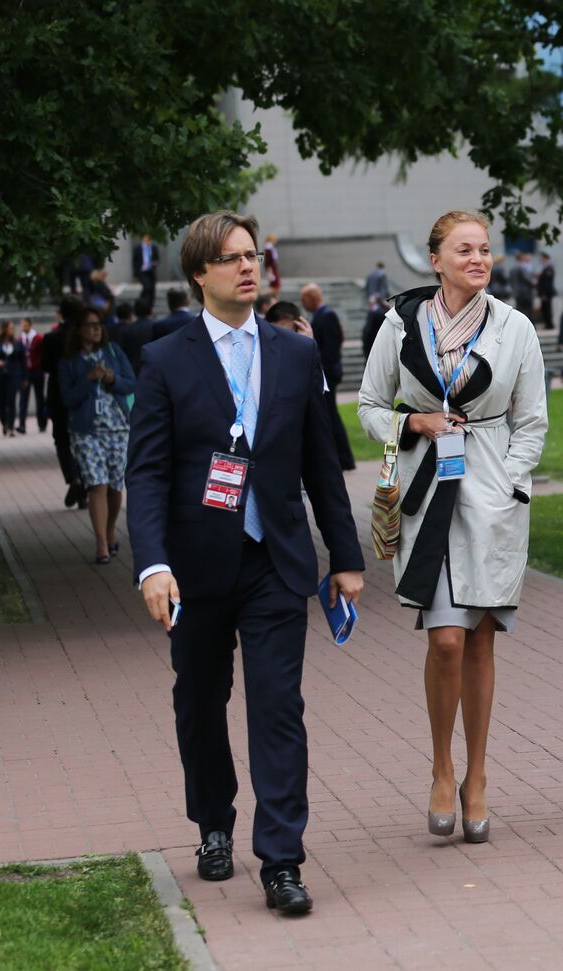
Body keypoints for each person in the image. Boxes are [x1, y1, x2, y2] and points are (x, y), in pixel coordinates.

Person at [126, 210, 364, 916]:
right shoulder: (166, 358)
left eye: (252, 255)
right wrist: (152, 565)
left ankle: (282, 857)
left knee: (277, 705)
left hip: (276, 562)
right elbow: (147, 473)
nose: (247, 266)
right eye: (230, 258)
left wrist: (344, 557)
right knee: (199, 704)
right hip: (195, 568)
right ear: (199, 272)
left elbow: (322, 462)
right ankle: (213, 824)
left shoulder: (295, 354)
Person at [357, 209, 547, 844]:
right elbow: (368, 404)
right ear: (434, 259)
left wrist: (512, 486)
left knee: (482, 641)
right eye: (463, 249)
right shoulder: (400, 322)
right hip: (426, 490)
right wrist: (412, 424)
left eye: (485, 249)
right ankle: (440, 768)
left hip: (491, 494)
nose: (478, 258)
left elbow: (533, 421)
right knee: (445, 640)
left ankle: (478, 776)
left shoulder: (514, 327)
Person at [59, 305, 135, 561]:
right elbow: (68, 399)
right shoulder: (69, 362)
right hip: (87, 431)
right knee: (97, 484)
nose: (96, 329)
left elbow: (131, 383)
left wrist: (113, 380)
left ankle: (111, 530)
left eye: (98, 325)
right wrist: (88, 378)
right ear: (78, 330)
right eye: (90, 325)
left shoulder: (113, 352)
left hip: (118, 428)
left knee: (115, 486)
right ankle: (101, 544)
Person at [300, 283, 355, 471]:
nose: (302, 303)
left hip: (328, 373)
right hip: (325, 372)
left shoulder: (327, 316)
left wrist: (315, 360)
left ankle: (344, 458)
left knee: (331, 415)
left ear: (312, 298)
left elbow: (331, 348)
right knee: (329, 415)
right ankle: (341, 458)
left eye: (304, 299)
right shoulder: (318, 316)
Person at [42, 297, 87, 507]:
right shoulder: (84, 335)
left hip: (58, 392)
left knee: (61, 438)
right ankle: (86, 483)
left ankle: (73, 477)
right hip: (83, 391)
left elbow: (45, 366)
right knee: (85, 438)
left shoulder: (51, 337)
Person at [0, 321, 27, 437]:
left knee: (11, 400)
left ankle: (11, 426)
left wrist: (24, 377)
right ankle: (4, 423)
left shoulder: (17, 343)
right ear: (4, 329)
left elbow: (23, 361)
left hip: (14, 375)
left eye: (13, 328)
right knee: (1, 401)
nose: (12, 330)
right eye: (10, 328)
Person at [17, 318, 47, 433]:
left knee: (39, 398)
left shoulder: (38, 338)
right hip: (26, 372)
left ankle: (42, 423)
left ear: (30, 325)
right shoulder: (20, 340)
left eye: (25, 325)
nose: (23, 328)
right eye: (22, 325)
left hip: (37, 371)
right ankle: (22, 425)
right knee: (23, 399)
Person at [133, 234, 160, 306]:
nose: (147, 240)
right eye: (145, 238)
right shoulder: (138, 248)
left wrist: (155, 263)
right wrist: (135, 273)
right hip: (142, 271)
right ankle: (141, 302)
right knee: (147, 287)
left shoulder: (153, 247)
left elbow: (157, 258)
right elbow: (134, 261)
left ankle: (150, 305)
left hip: (151, 270)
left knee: (152, 288)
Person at [361, 294, 388, 362]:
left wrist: (365, 347)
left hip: (373, 345)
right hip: (384, 344)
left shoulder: (373, 313)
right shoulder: (386, 311)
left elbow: (368, 331)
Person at [510, 252, 535, 320]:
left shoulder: (512, 268)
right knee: (528, 310)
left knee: (519, 309)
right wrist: (534, 283)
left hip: (517, 292)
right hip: (525, 292)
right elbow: (526, 279)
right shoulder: (521, 267)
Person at [536, 252, 557, 329]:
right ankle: (548, 324)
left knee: (547, 309)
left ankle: (549, 324)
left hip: (546, 293)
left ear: (545, 259)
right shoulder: (546, 268)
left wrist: (544, 293)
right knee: (545, 309)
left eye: (542, 258)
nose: (541, 260)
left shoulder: (549, 268)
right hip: (545, 293)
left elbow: (547, 283)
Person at [262, 233, 282, 297]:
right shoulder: (268, 248)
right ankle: (261, 295)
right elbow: (268, 261)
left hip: (272, 269)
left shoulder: (270, 248)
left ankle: (274, 299)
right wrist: (269, 269)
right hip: (271, 269)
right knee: (276, 286)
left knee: (275, 286)